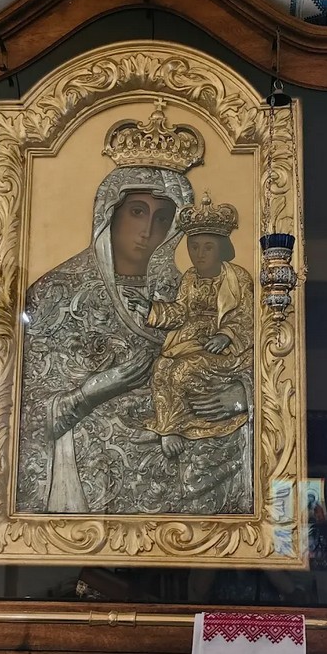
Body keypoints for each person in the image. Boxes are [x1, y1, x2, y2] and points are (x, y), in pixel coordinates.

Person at [16, 102, 251, 515]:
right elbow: (24, 415)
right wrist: (92, 391)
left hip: (192, 459)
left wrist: (243, 394)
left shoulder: (191, 287)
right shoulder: (56, 293)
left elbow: (247, 348)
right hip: (96, 474)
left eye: (162, 218)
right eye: (137, 212)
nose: (147, 230)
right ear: (110, 214)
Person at [125, 194, 253, 459]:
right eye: (194, 247)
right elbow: (180, 312)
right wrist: (149, 308)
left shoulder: (237, 277)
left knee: (183, 371)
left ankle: (184, 426)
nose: (199, 254)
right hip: (188, 341)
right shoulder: (190, 278)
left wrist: (226, 335)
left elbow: (246, 315)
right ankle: (168, 428)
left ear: (221, 248)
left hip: (226, 350)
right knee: (162, 367)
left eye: (208, 247)